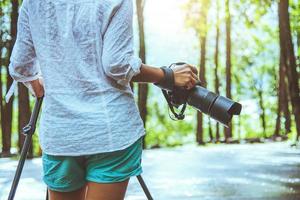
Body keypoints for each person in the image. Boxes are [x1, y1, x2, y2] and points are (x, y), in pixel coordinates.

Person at [6, 0, 198, 199]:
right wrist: (167, 76)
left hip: (62, 136)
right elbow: (118, 65)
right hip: (110, 133)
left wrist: (41, 84)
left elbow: (20, 66)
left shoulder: (33, 3)